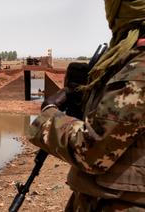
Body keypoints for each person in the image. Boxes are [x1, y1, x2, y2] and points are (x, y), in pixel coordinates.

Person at [28, 1, 145, 211]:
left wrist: (49, 115)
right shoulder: (125, 61)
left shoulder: (139, 68)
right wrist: (85, 97)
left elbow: (92, 151)